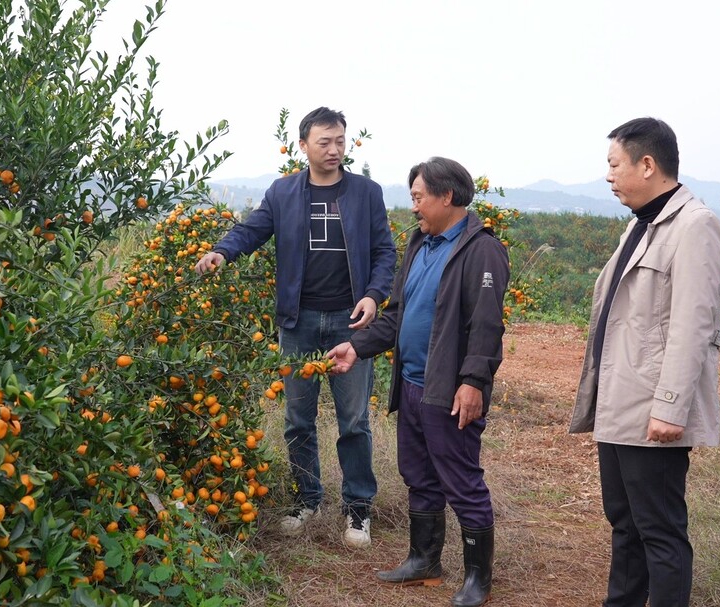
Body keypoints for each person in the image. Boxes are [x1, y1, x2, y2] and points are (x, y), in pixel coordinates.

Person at [194, 107, 396, 548]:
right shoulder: (283, 192)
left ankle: (358, 508)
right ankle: (307, 499)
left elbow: (385, 251)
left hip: (350, 322)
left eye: (340, 140)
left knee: (354, 420)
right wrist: (222, 252)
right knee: (298, 419)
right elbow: (251, 231)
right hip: (298, 321)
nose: (334, 149)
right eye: (324, 142)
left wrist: (373, 294)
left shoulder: (365, 192)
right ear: (303, 145)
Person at [328, 157, 508, 607]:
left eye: (418, 197)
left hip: (448, 390)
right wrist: (358, 346)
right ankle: (424, 561)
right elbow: (397, 316)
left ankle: (478, 578)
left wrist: (473, 381)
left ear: (447, 196)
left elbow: (487, 326)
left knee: (461, 480)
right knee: (419, 476)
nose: (414, 207)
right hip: (410, 384)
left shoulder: (481, 249)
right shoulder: (420, 244)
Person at [569, 117, 720, 607]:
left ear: (646, 164)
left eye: (614, 164)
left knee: (659, 529)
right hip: (621, 400)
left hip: (653, 408)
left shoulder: (695, 226)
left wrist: (670, 406)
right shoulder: (641, 224)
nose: (608, 176)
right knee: (625, 523)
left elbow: (693, 328)